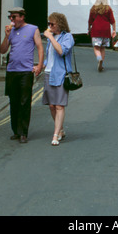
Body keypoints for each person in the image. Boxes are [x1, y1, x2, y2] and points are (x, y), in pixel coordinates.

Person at [0, 7, 44, 143]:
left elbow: (40, 47)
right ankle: (16, 131)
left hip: (26, 71)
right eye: (10, 17)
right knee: (13, 102)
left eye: (14, 17)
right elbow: (2, 50)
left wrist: (40, 65)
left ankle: (23, 132)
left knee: (24, 102)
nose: (11, 20)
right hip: (12, 71)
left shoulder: (33, 29)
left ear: (22, 17)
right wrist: (6, 36)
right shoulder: (10, 31)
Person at [42, 12, 75, 146]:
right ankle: (60, 129)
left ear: (60, 24)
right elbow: (48, 56)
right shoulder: (51, 38)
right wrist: (40, 67)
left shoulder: (67, 37)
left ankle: (55, 134)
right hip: (49, 73)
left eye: (52, 24)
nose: (49, 26)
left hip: (61, 74)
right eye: (48, 24)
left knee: (59, 105)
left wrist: (50, 37)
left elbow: (62, 51)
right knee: (51, 106)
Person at [88, 0, 116, 72]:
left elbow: (90, 21)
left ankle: (99, 59)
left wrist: (88, 29)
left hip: (96, 30)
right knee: (102, 48)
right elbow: (112, 21)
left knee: (96, 48)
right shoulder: (108, 8)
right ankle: (102, 64)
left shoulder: (93, 8)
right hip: (106, 30)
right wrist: (114, 30)